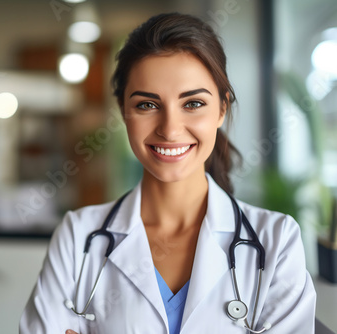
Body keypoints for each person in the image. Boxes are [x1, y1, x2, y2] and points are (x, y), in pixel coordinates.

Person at [19, 12, 316, 334]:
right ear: (124, 112)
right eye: (147, 105)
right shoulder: (79, 236)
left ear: (221, 109)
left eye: (193, 104)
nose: (170, 130)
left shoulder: (276, 240)